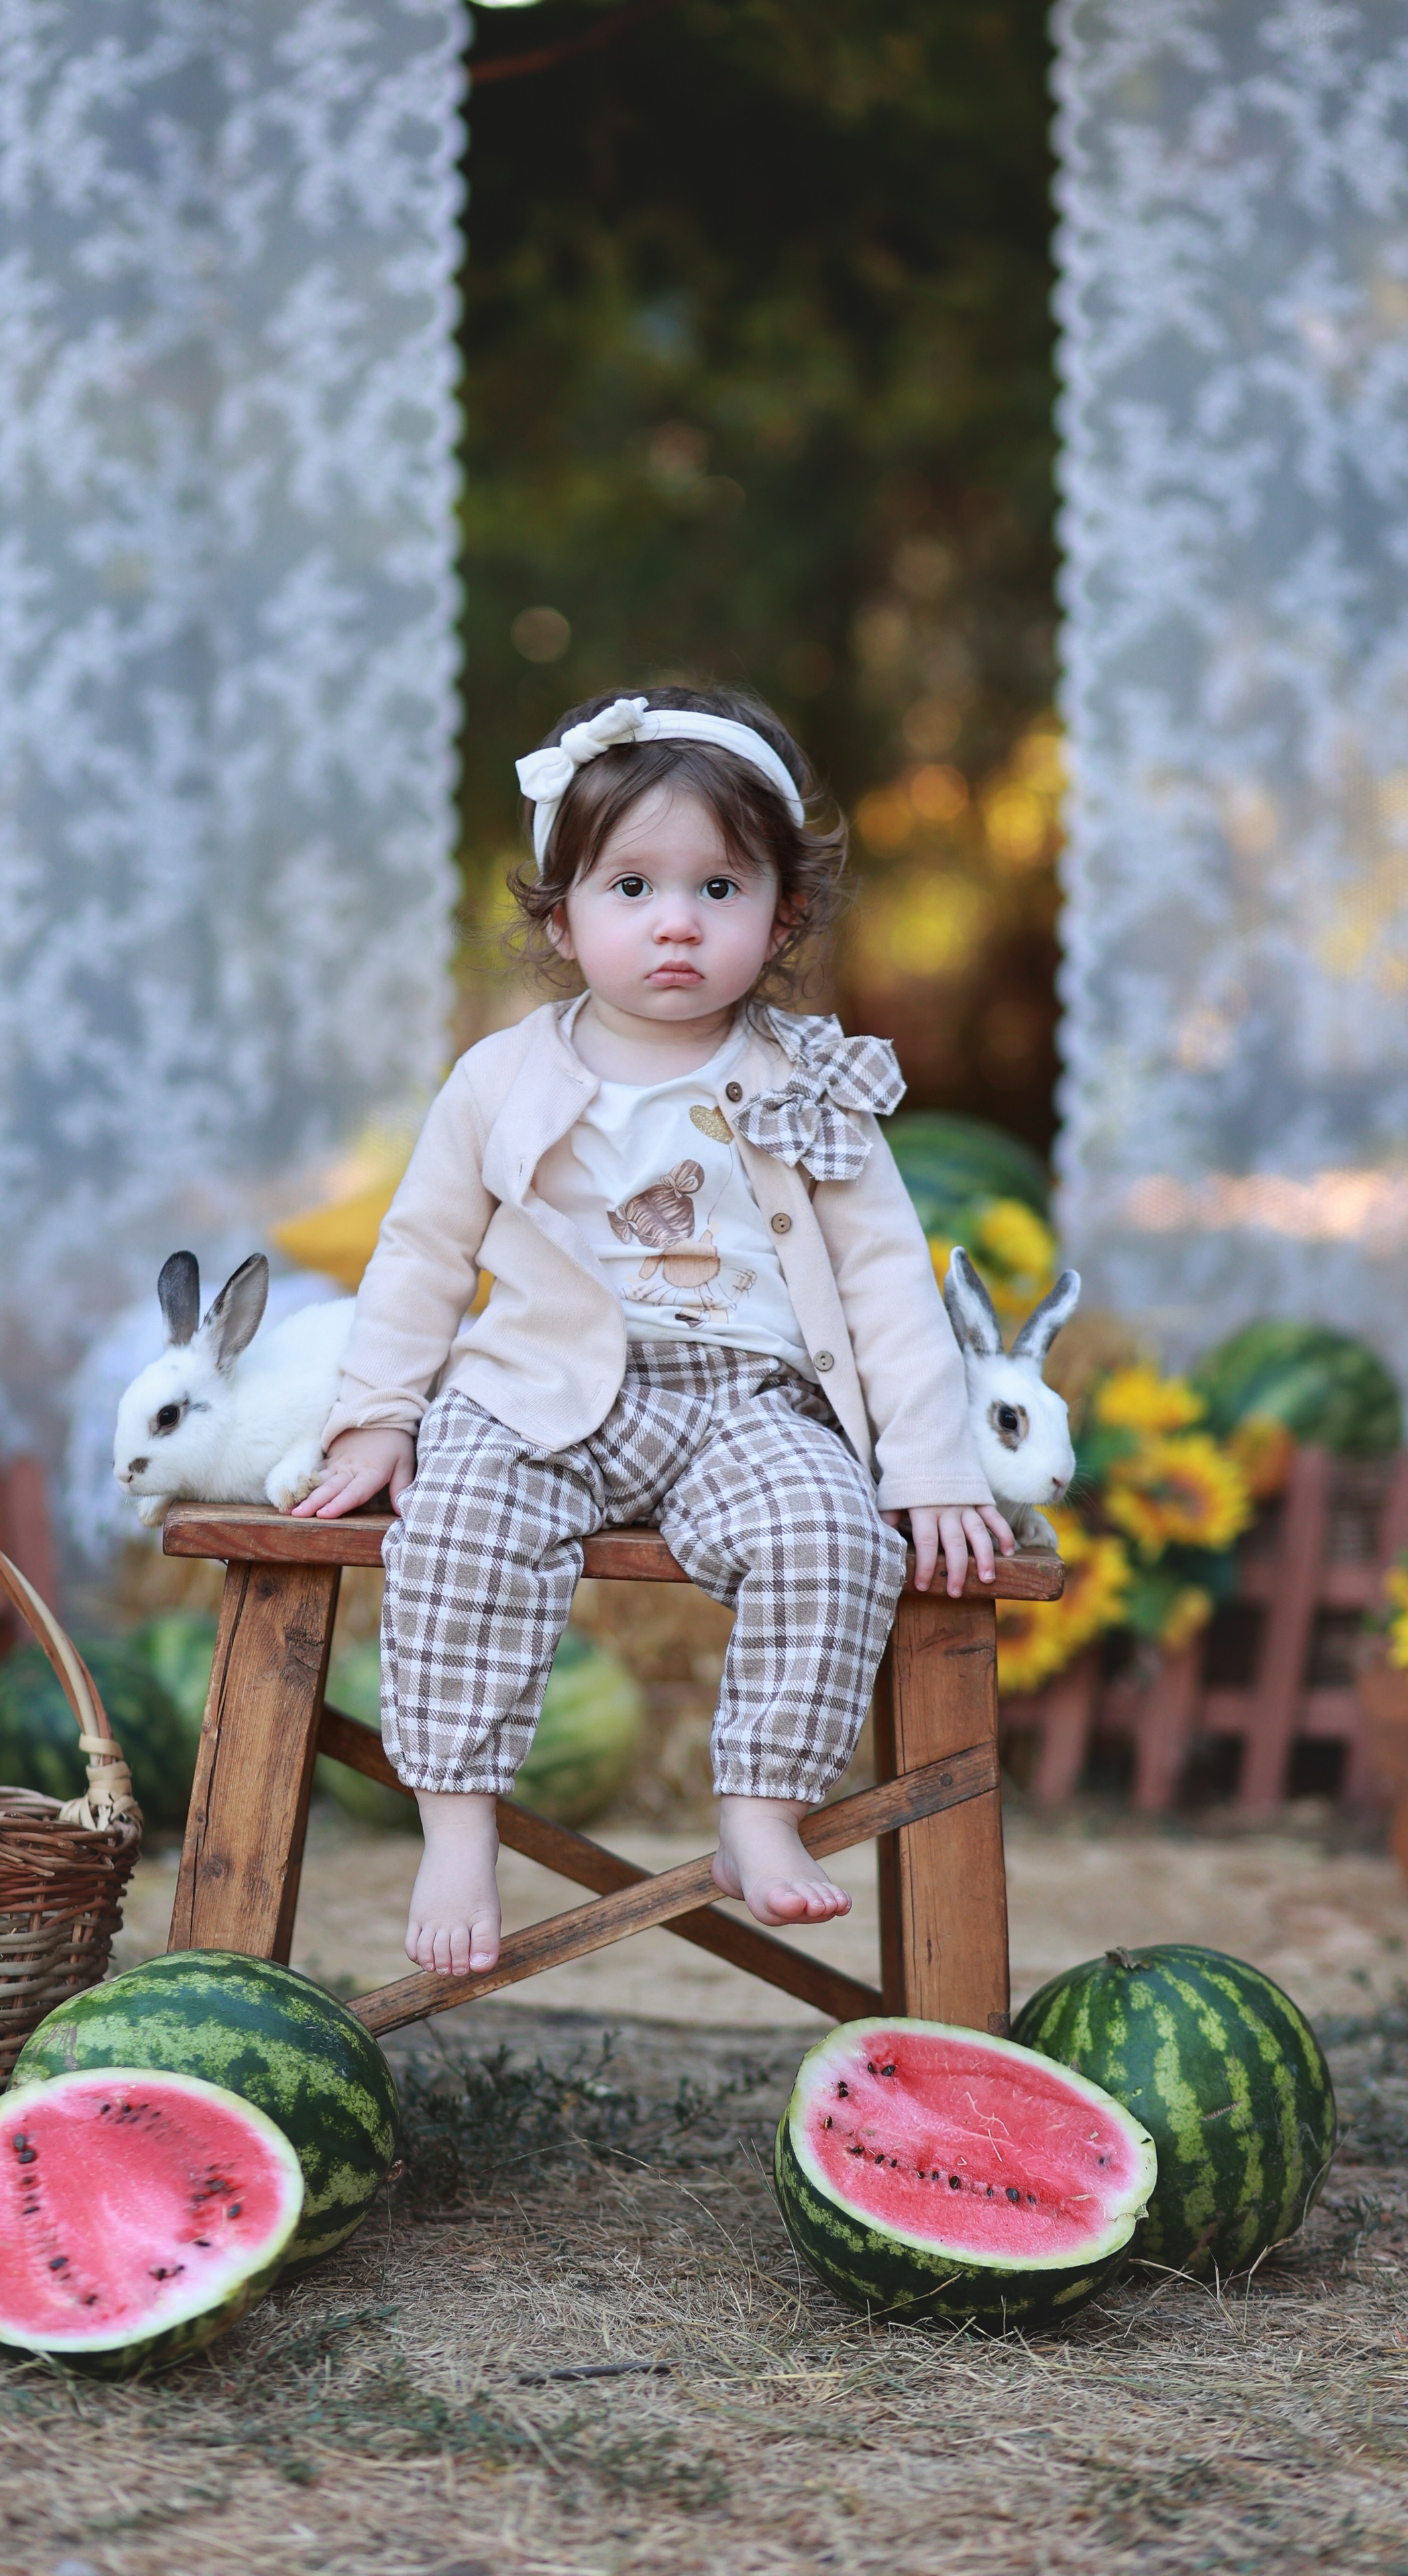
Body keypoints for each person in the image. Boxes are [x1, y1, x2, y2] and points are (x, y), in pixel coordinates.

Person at [294, 685, 1014, 1976]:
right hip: (538, 1388)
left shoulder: (807, 1078)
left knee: (828, 1536)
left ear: (781, 914)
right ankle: (456, 1825)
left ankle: (758, 1807)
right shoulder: (501, 1076)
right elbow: (421, 1252)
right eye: (631, 888)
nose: (675, 923)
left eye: (719, 890)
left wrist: (932, 1465)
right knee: (458, 1531)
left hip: (746, 1397)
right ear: (562, 916)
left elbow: (888, 1281)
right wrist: (379, 1413)